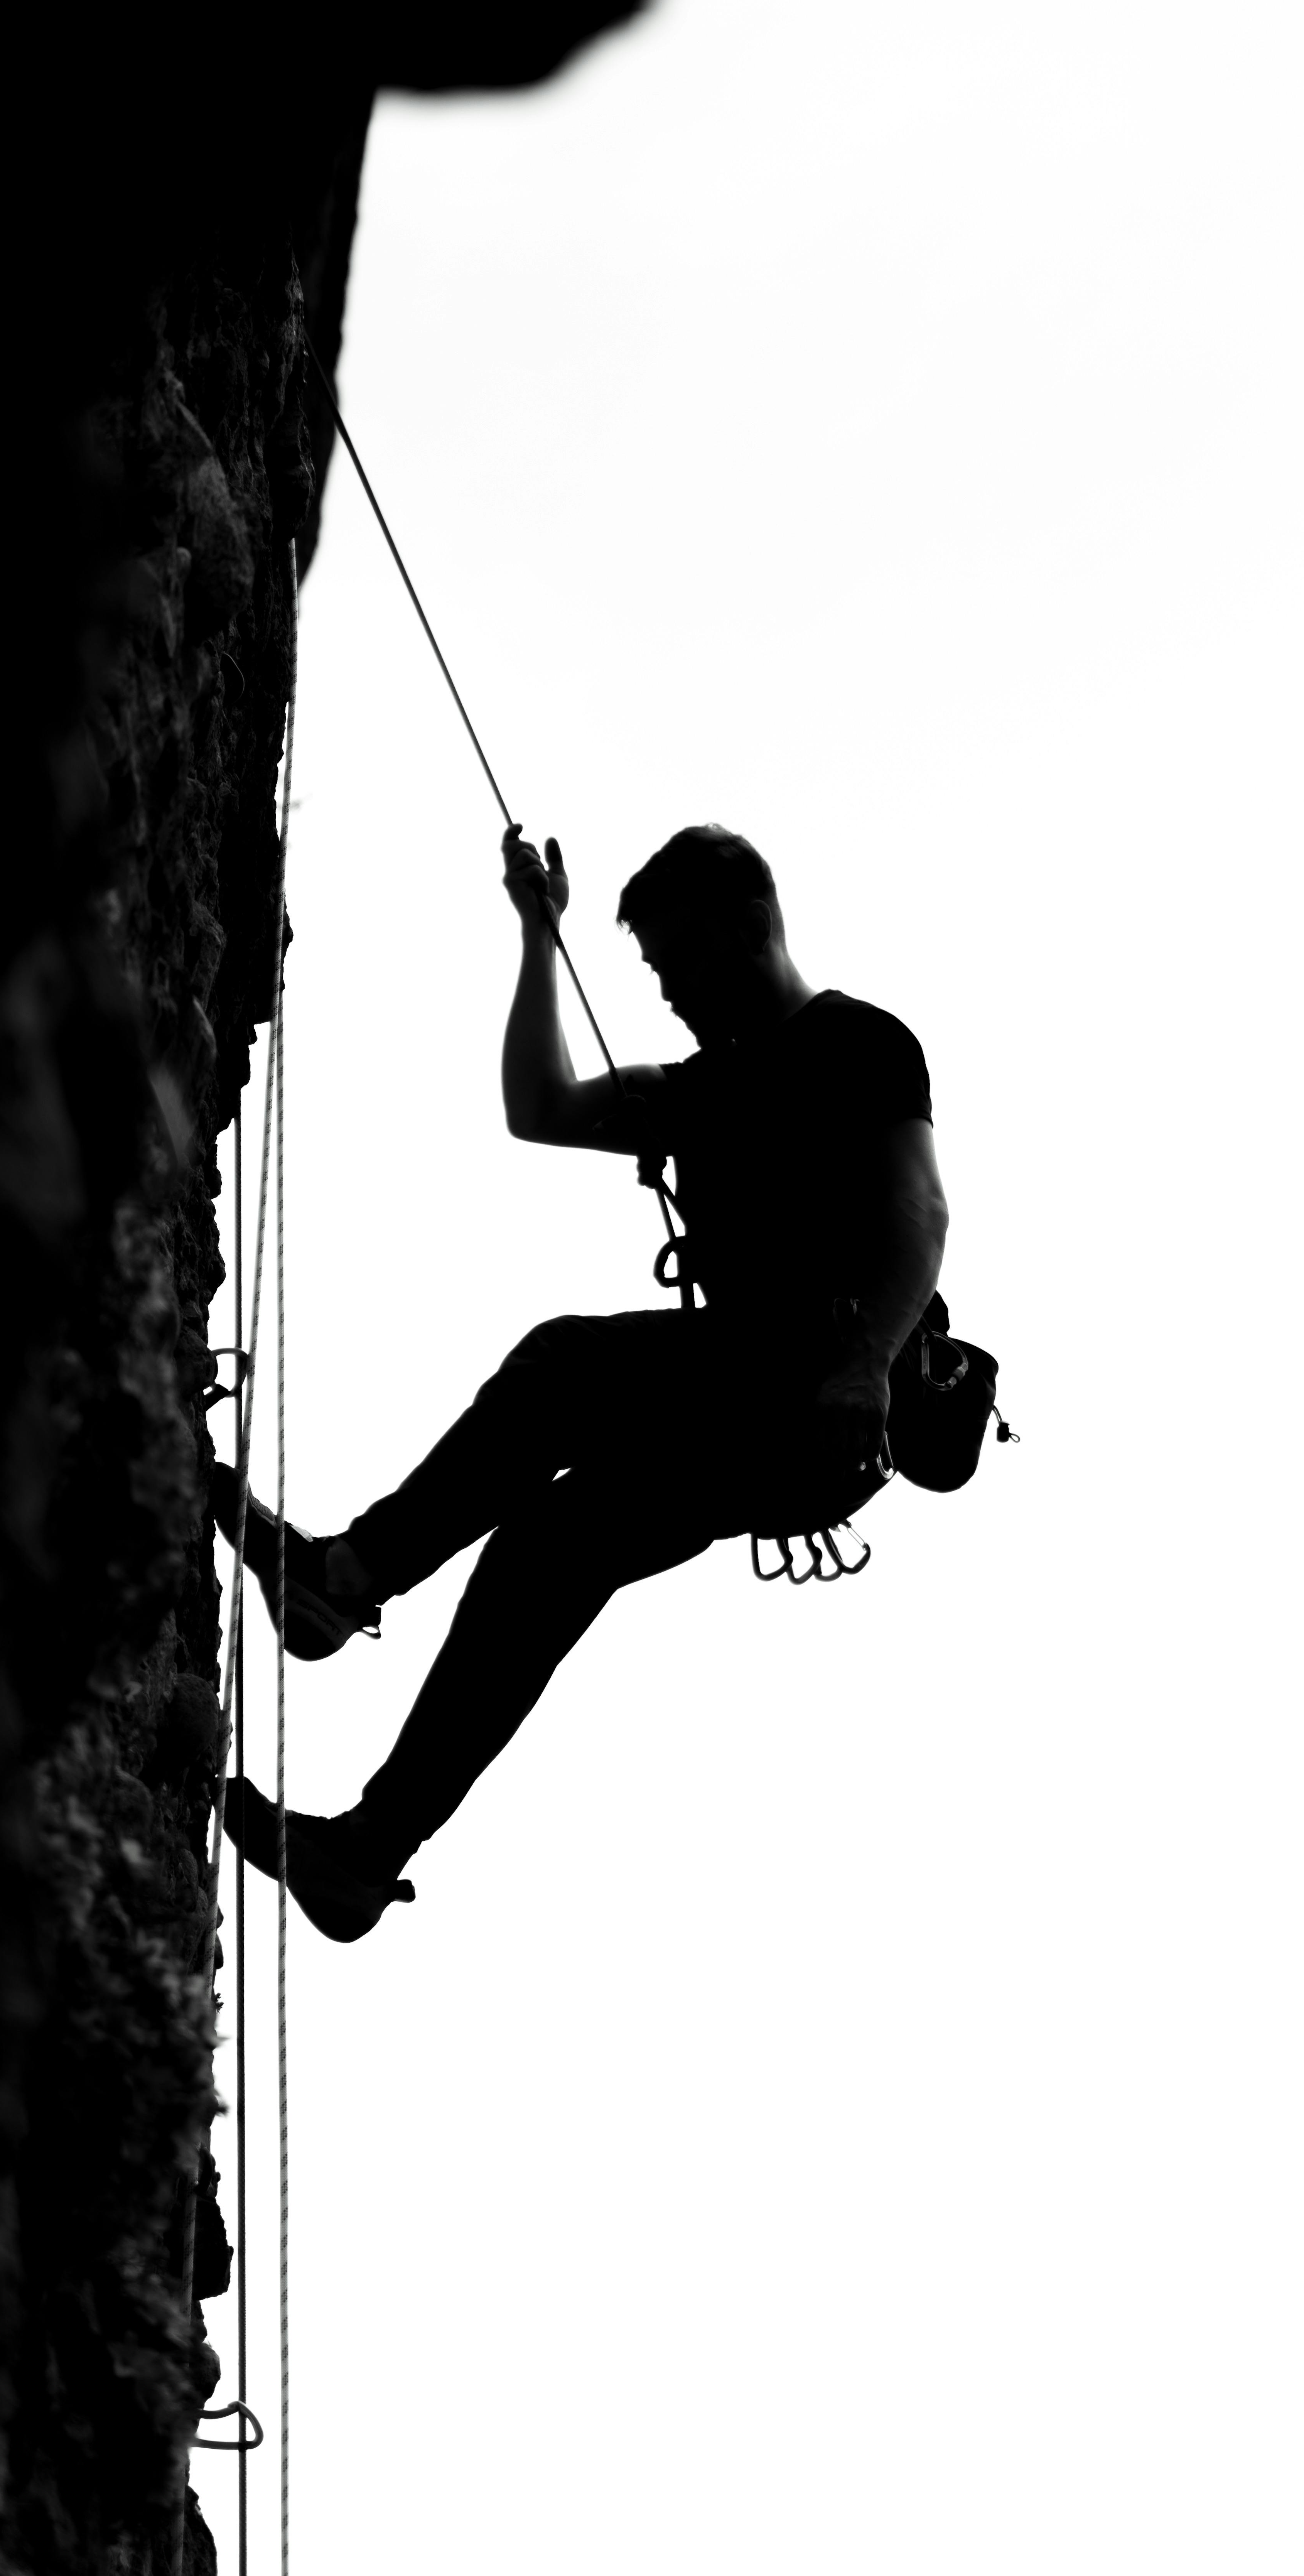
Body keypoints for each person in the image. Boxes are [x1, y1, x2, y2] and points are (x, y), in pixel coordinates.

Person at [217, 822, 949, 1939]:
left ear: (753, 923)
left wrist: (864, 1365)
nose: (670, 991)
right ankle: (366, 1853)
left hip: (821, 1383)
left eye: (683, 960)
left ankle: (349, 1575)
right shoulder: (698, 1090)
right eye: (655, 970)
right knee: (546, 1552)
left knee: (569, 1364)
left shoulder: (856, 1043)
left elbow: (918, 1211)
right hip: (757, 1407)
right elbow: (540, 1109)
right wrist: (537, 936)